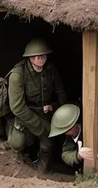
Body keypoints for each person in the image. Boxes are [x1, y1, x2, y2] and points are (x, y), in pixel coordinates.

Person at [6, 38, 67, 171]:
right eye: (38, 57)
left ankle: (40, 170)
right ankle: (21, 164)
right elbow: (17, 108)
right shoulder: (18, 74)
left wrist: (60, 111)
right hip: (25, 113)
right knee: (18, 143)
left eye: (44, 56)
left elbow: (60, 90)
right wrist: (40, 127)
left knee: (49, 140)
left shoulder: (50, 69)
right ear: (30, 58)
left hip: (45, 111)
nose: (41, 59)